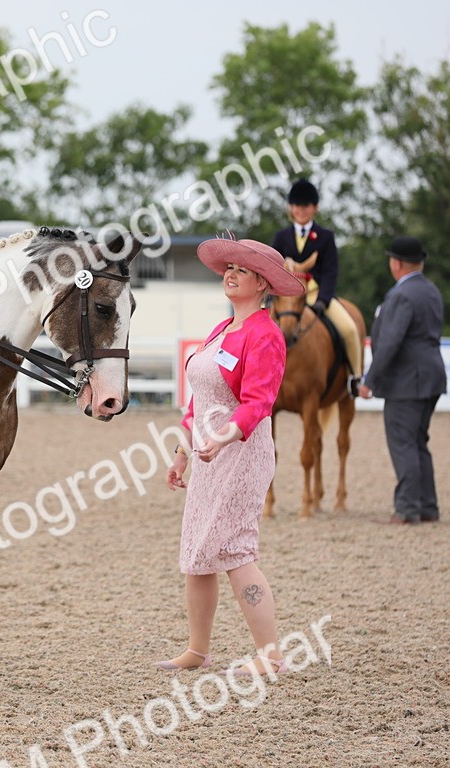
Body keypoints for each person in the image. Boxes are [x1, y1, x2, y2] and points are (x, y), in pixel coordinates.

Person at [161, 236, 306, 677]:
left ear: (262, 282)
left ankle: (271, 655)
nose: (230, 274)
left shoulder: (266, 335)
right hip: (208, 454)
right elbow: (197, 402)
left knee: (234, 549)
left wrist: (222, 438)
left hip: (241, 454)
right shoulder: (221, 330)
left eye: (241, 270)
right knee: (197, 551)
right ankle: (198, 649)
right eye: (229, 268)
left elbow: (258, 402)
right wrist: (181, 452)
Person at [358, 237, 447, 525]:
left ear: (396, 263)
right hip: (430, 376)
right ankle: (427, 506)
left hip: (408, 380)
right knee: (419, 441)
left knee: (404, 443)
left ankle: (408, 508)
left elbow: (391, 343)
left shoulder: (401, 296)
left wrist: (369, 380)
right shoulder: (431, 290)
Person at [271, 179, 363, 395]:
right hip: (287, 298)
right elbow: (272, 269)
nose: (301, 210)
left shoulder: (326, 237)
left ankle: (354, 378)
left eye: (306, 206)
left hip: (316, 294)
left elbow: (331, 272)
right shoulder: (281, 237)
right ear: (290, 208)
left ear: (315, 207)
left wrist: (323, 300)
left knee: (349, 329)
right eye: (297, 205)